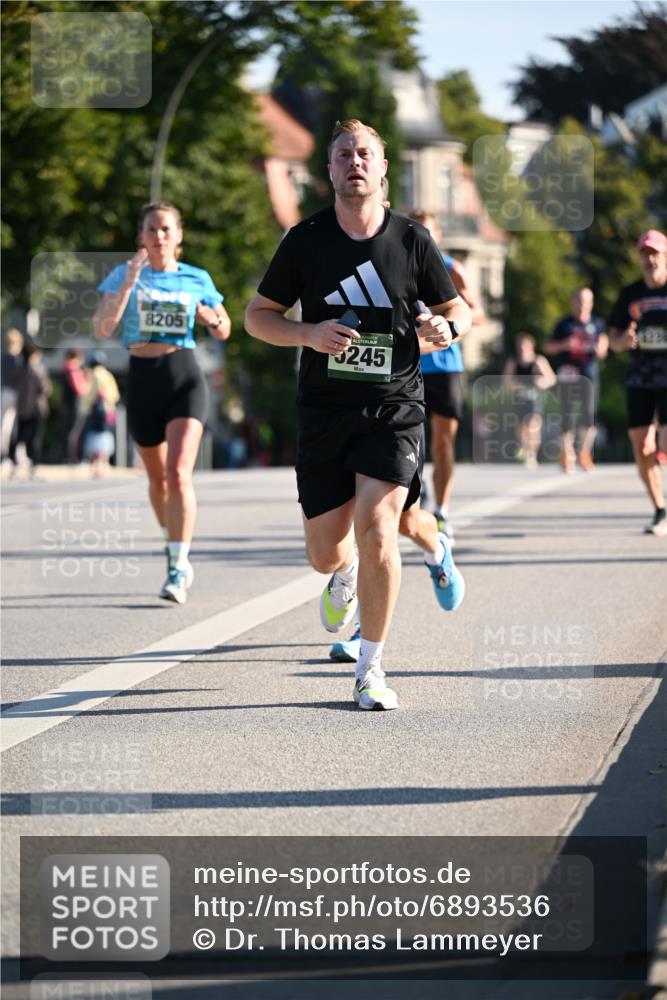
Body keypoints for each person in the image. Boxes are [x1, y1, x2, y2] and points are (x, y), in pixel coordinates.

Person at [245, 119, 471, 711]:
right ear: (329, 170)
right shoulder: (306, 240)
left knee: (379, 527)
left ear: (383, 167)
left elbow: (458, 311)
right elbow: (257, 317)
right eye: (343, 154)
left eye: (365, 153)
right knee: (325, 551)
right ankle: (341, 575)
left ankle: (370, 668)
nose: (355, 162)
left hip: (394, 404)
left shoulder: (411, 240)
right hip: (324, 409)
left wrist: (446, 326)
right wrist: (307, 332)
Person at [92, 201, 231, 601]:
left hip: (183, 375)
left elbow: (224, 329)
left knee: (177, 475)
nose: (159, 237)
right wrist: (126, 284)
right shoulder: (123, 275)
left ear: (178, 236)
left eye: (166, 229)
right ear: (140, 236)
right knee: (157, 481)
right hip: (142, 378)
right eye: (151, 229)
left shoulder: (195, 277)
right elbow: (102, 329)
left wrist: (212, 320)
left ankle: (177, 565)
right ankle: (173, 543)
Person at [410, 210, 485, 540]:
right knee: (411, 441)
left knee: (443, 445)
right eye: (418, 230)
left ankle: (441, 510)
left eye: (429, 231)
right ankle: (417, 490)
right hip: (409, 363)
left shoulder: (453, 269)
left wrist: (463, 309)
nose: (424, 236)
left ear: (437, 235)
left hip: (446, 366)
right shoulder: (399, 263)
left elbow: (477, 314)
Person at [609, 229, 667, 536]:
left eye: (655, 253)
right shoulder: (630, 294)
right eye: (645, 254)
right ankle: (660, 509)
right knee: (641, 444)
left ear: (665, 255)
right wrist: (624, 340)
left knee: (665, 442)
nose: (650, 259)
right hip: (641, 376)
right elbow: (613, 338)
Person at [544, 288, 608, 473]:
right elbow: (548, 346)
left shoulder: (597, 323)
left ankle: (584, 452)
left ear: (592, 302)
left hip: (589, 375)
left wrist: (599, 348)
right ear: (573, 302)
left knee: (589, 416)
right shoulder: (564, 324)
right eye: (579, 300)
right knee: (567, 415)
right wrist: (565, 344)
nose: (583, 304)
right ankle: (566, 453)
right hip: (568, 375)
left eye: (587, 300)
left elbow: (604, 348)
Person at [502, 333, 556, 469]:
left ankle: (532, 455)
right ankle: (524, 449)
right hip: (519, 399)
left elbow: (551, 378)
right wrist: (515, 385)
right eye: (519, 346)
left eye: (524, 346)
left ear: (531, 346)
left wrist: (541, 382)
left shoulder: (538, 361)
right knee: (521, 429)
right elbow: (506, 380)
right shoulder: (513, 362)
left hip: (534, 399)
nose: (522, 349)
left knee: (533, 427)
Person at [8, 341, 50, 479]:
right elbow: (45, 389)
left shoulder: (18, 369)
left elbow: (13, 386)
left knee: (18, 437)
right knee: (34, 439)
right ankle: (34, 468)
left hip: (21, 408)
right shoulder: (38, 369)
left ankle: (14, 466)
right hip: (36, 409)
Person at [81, 351, 120, 478]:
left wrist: (85, 407)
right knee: (106, 435)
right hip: (109, 410)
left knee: (95, 436)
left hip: (97, 411)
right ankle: (105, 465)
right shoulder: (108, 375)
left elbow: (91, 394)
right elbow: (115, 394)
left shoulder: (95, 374)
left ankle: (97, 466)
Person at [61, 348, 90, 463]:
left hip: (67, 403)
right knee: (74, 432)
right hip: (75, 404)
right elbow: (80, 389)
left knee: (69, 431)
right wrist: (87, 382)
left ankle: (68, 456)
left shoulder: (65, 368)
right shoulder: (73, 369)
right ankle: (72, 458)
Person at [1, 328, 24, 460]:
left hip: (4, 391)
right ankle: (9, 451)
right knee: (12, 425)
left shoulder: (3, 357)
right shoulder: (15, 359)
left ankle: (7, 451)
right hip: (13, 392)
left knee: (5, 423)